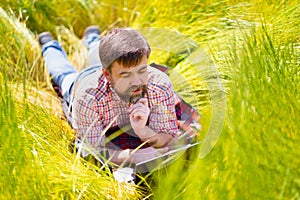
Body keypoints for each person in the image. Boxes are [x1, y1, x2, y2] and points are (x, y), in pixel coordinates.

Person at [39, 26, 200, 165]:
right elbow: (93, 150)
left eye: (142, 71)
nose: (137, 82)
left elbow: (168, 133)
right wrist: (134, 156)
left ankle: (92, 37)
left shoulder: (158, 85)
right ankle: (49, 45)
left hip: (106, 68)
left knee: (97, 53)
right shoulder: (87, 97)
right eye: (126, 75)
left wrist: (143, 131)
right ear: (107, 75)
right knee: (62, 72)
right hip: (80, 82)